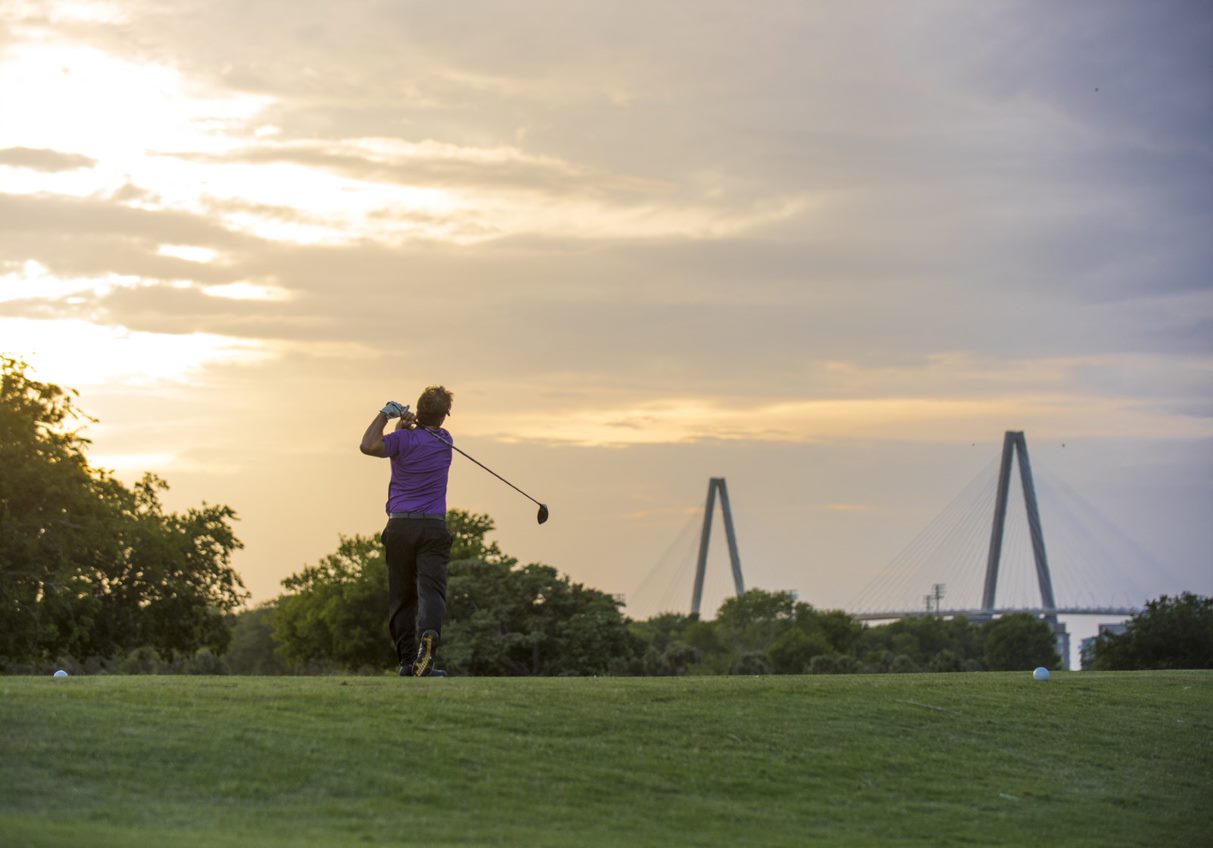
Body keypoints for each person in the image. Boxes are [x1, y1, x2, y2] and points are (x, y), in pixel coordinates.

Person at [359, 386, 455, 677]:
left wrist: (385, 415)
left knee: (402, 595)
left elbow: (367, 445)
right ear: (444, 416)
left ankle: (406, 661)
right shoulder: (445, 440)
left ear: (419, 408)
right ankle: (428, 643)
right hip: (433, 527)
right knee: (431, 592)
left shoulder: (402, 440)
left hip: (400, 525)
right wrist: (408, 424)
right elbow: (420, 435)